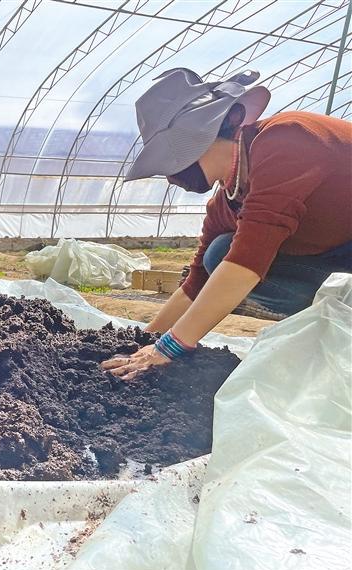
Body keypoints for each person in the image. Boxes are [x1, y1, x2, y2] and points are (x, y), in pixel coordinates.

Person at [102, 68, 352, 380]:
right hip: (337, 255)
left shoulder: (287, 140)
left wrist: (170, 347)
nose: (171, 174)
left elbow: (247, 263)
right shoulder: (227, 200)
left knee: (231, 259)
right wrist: (143, 342)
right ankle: (339, 324)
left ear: (200, 136)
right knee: (218, 253)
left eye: (172, 156)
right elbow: (197, 282)